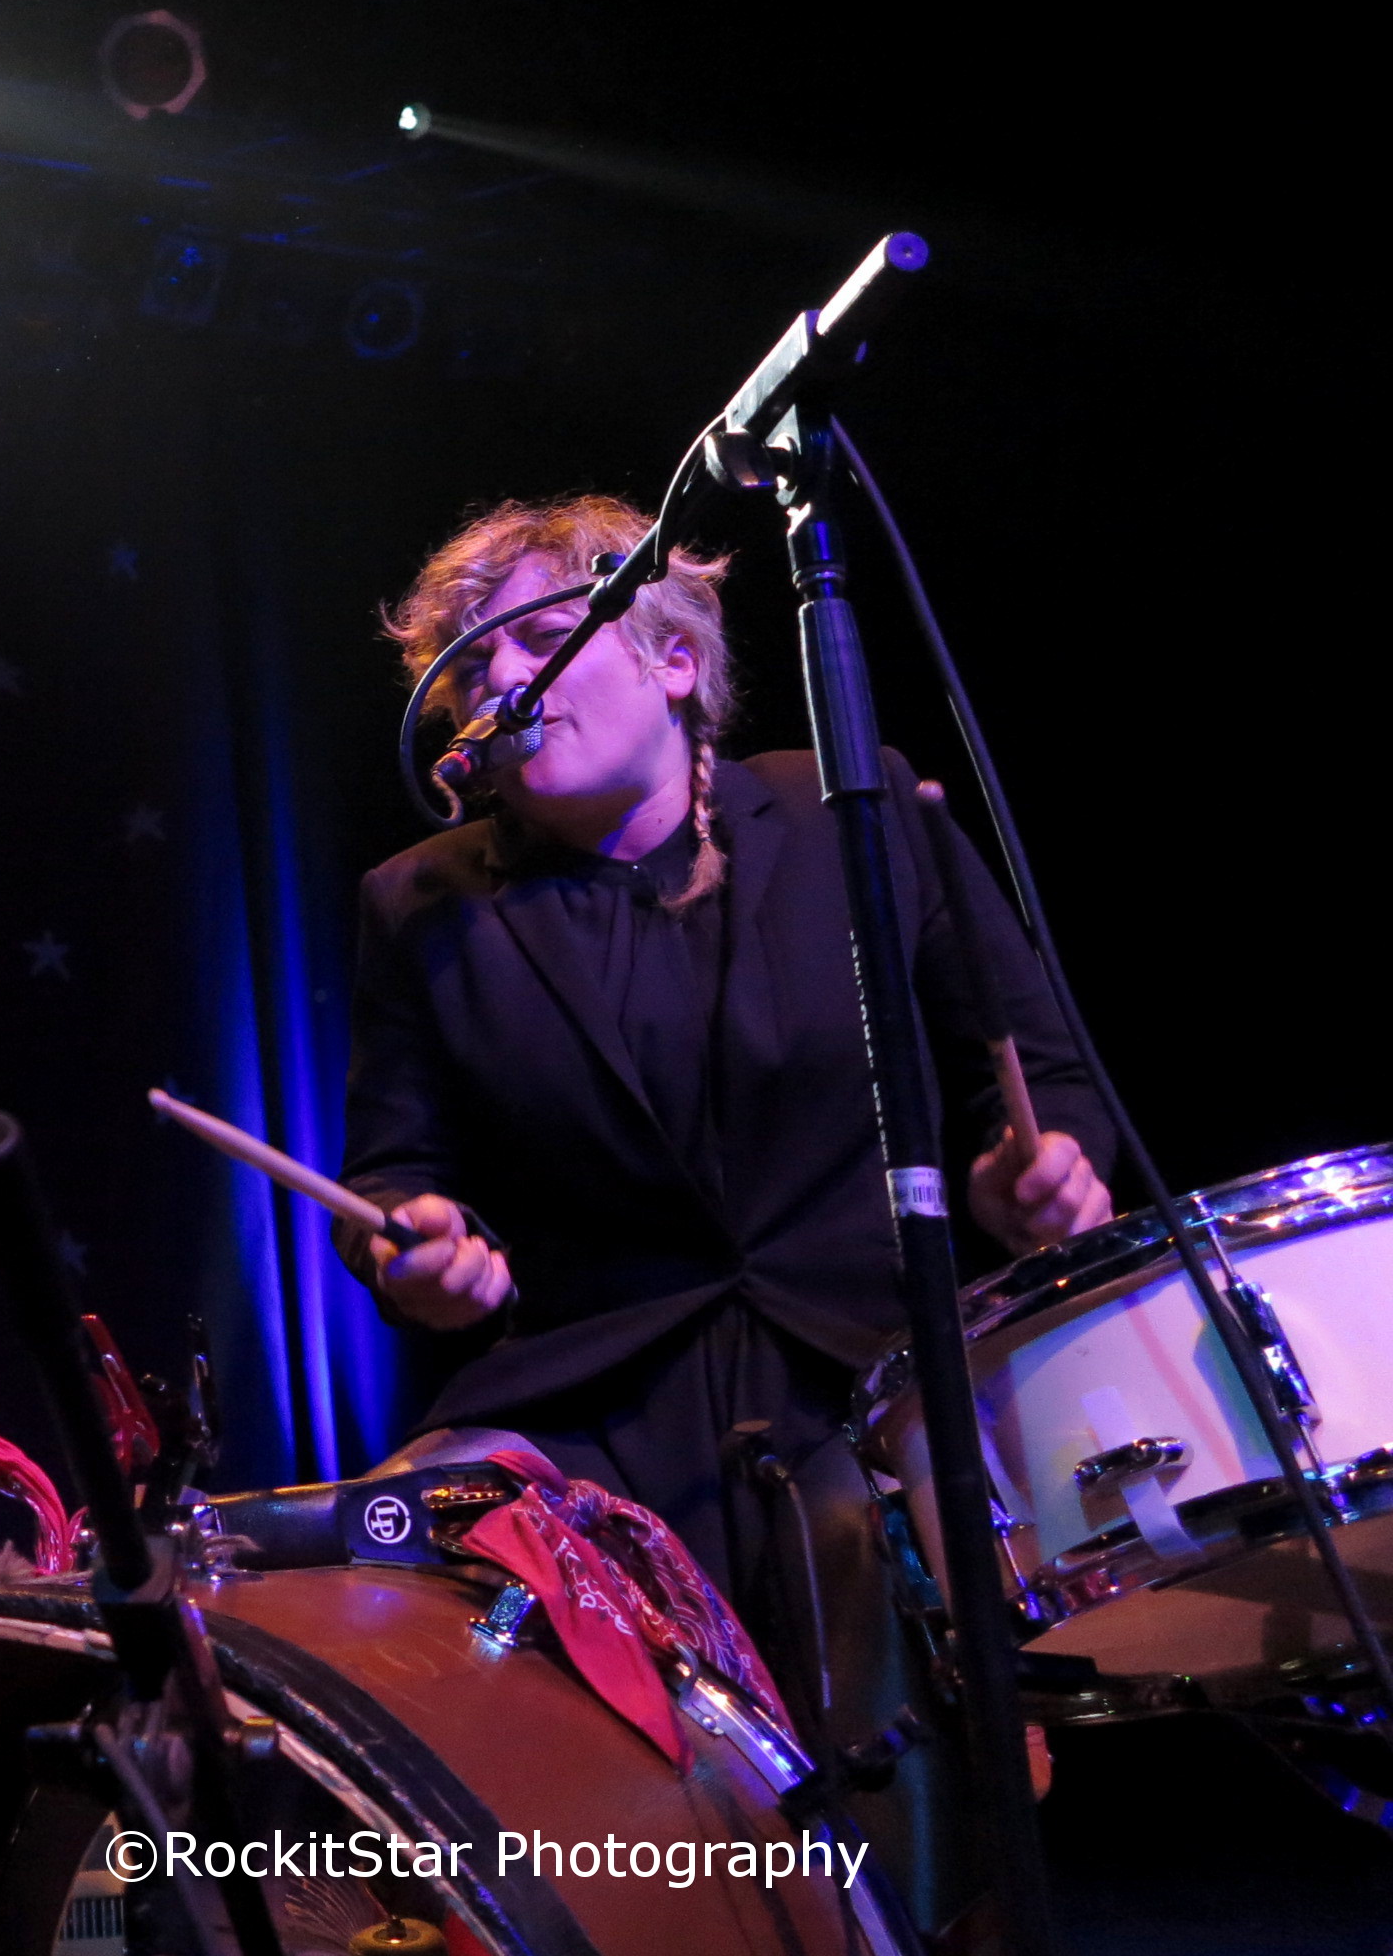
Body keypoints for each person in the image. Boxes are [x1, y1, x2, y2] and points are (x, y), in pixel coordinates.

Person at [338, 494, 1112, 1924]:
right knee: (398, 1561)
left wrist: (1041, 1167)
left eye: (537, 642)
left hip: (864, 1372)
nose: (497, 682)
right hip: (598, 1392)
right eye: (468, 668)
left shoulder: (854, 814)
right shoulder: (423, 903)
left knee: (874, 1617)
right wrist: (413, 1248)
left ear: (676, 661)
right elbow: (393, 1176)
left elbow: (1043, 1078)